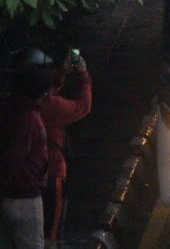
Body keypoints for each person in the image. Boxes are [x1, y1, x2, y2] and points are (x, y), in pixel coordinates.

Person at [32, 48, 92, 246]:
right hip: (51, 174)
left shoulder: (17, 104)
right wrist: (83, 75)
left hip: (24, 179)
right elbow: (83, 106)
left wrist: (62, 73)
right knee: (51, 233)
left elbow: (45, 90)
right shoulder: (52, 106)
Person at [0, 61, 55, 249]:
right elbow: (11, 159)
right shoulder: (29, 119)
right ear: (42, 91)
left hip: (13, 195)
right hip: (24, 198)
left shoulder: (13, 109)